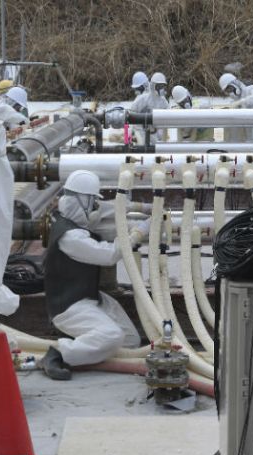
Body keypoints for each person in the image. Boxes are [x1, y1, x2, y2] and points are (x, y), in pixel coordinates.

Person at [40, 170, 147, 379]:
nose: (95, 208)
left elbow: (105, 210)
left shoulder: (66, 219)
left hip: (89, 297)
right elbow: (109, 255)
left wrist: (141, 208)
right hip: (70, 307)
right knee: (112, 336)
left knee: (130, 341)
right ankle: (59, 354)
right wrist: (137, 234)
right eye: (93, 203)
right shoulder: (71, 237)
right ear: (83, 201)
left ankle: (90, 349)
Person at [218, 73, 253, 142]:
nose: (230, 92)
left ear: (235, 84)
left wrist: (243, 101)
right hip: (249, 138)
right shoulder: (235, 102)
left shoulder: (251, 89)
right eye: (228, 91)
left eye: (230, 89)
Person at [131, 72, 170, 143]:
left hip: (159, 137)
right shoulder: (142, 99)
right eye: (159, 86)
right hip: (142, 135)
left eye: (162, 86)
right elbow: (130, 117)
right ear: (153, 86)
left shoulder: (163, 101)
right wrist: (128, 137)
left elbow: (167, 119)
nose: (161, 89)